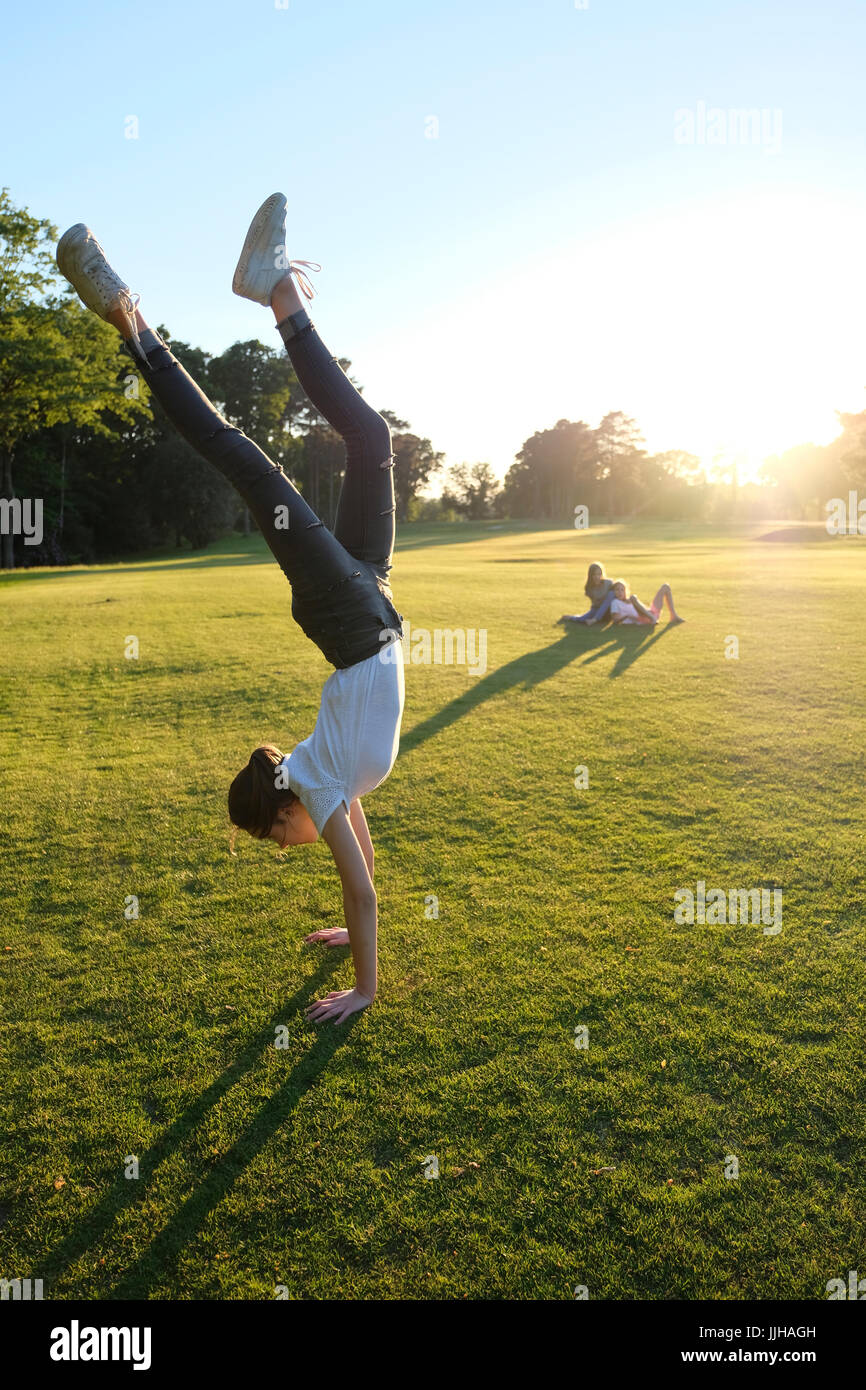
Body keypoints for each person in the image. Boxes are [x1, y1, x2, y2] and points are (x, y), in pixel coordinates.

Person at [56, 193, 405, 1025]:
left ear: (285, 814)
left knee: (249, 462)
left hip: (353, 617)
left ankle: (129, 318)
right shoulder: (327, 782)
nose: (292, 851)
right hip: (370, 599)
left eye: (277, 843)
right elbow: (364, 880)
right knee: (374, 442)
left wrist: (363, 988)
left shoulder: (318, 787)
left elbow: (359, 890)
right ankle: (274, 290)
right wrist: (347, 936)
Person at [608, 579, 685, 626]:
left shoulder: (629, 600)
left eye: (622, 590)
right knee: (633, 597)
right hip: (642, 619)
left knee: (665, 587)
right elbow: (615, 620)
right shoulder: (615, 602)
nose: (620, 592)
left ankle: (673, 616)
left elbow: (642, 608)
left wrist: (648, 611)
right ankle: (653, 619)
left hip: (649, 613)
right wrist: (627, 616)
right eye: (617, 590)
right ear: (613, 592)